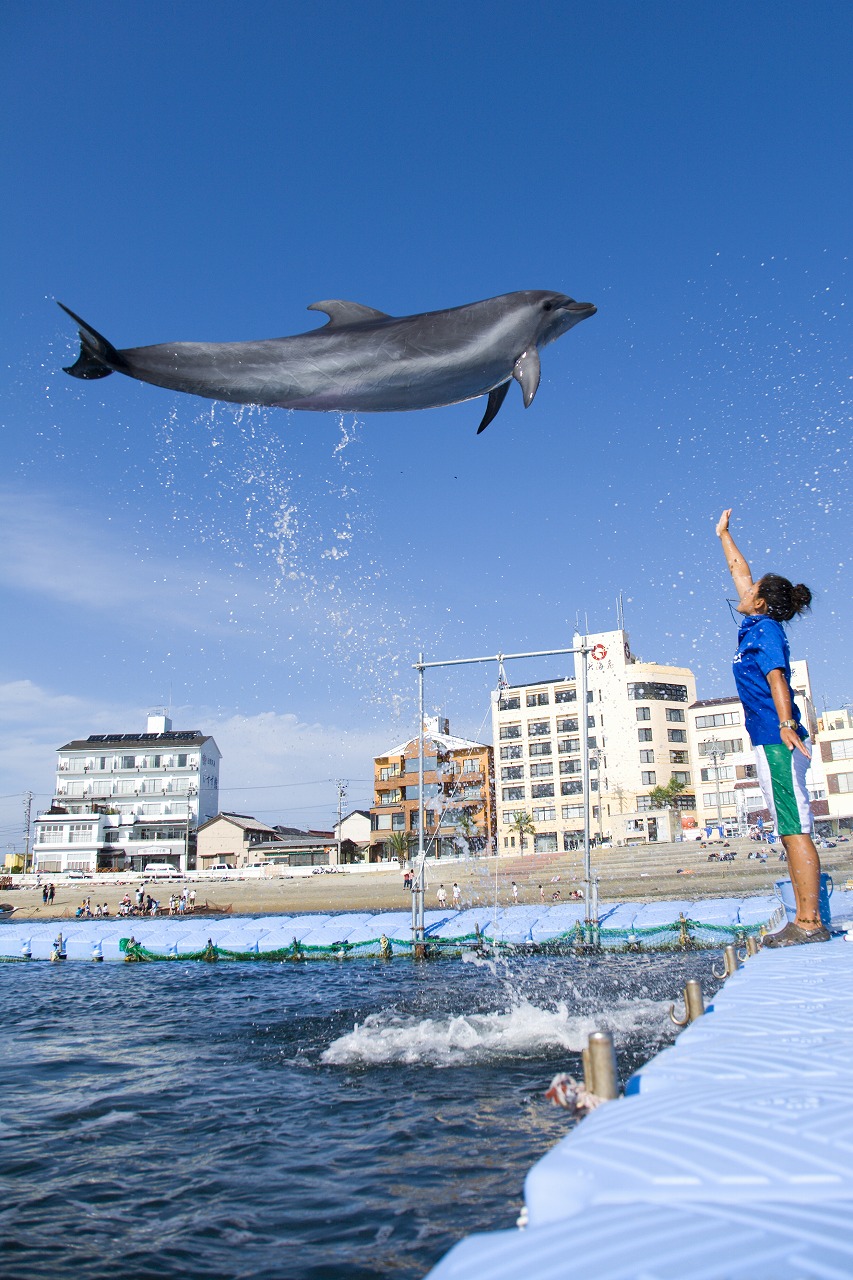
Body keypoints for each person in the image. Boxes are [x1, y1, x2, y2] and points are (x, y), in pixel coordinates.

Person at [716, 508, 827, 946]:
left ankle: (809, 921)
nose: (743, 588)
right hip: (770, 740)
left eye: (753, 589)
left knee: (793, 825)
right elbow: (739, 571)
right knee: (787, 825)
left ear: (760, 601)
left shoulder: (765, 634)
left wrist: (784, 724)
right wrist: (724, 535)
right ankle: (806, 917)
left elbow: (777, 677)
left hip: (778, 740)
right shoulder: (755, 623)